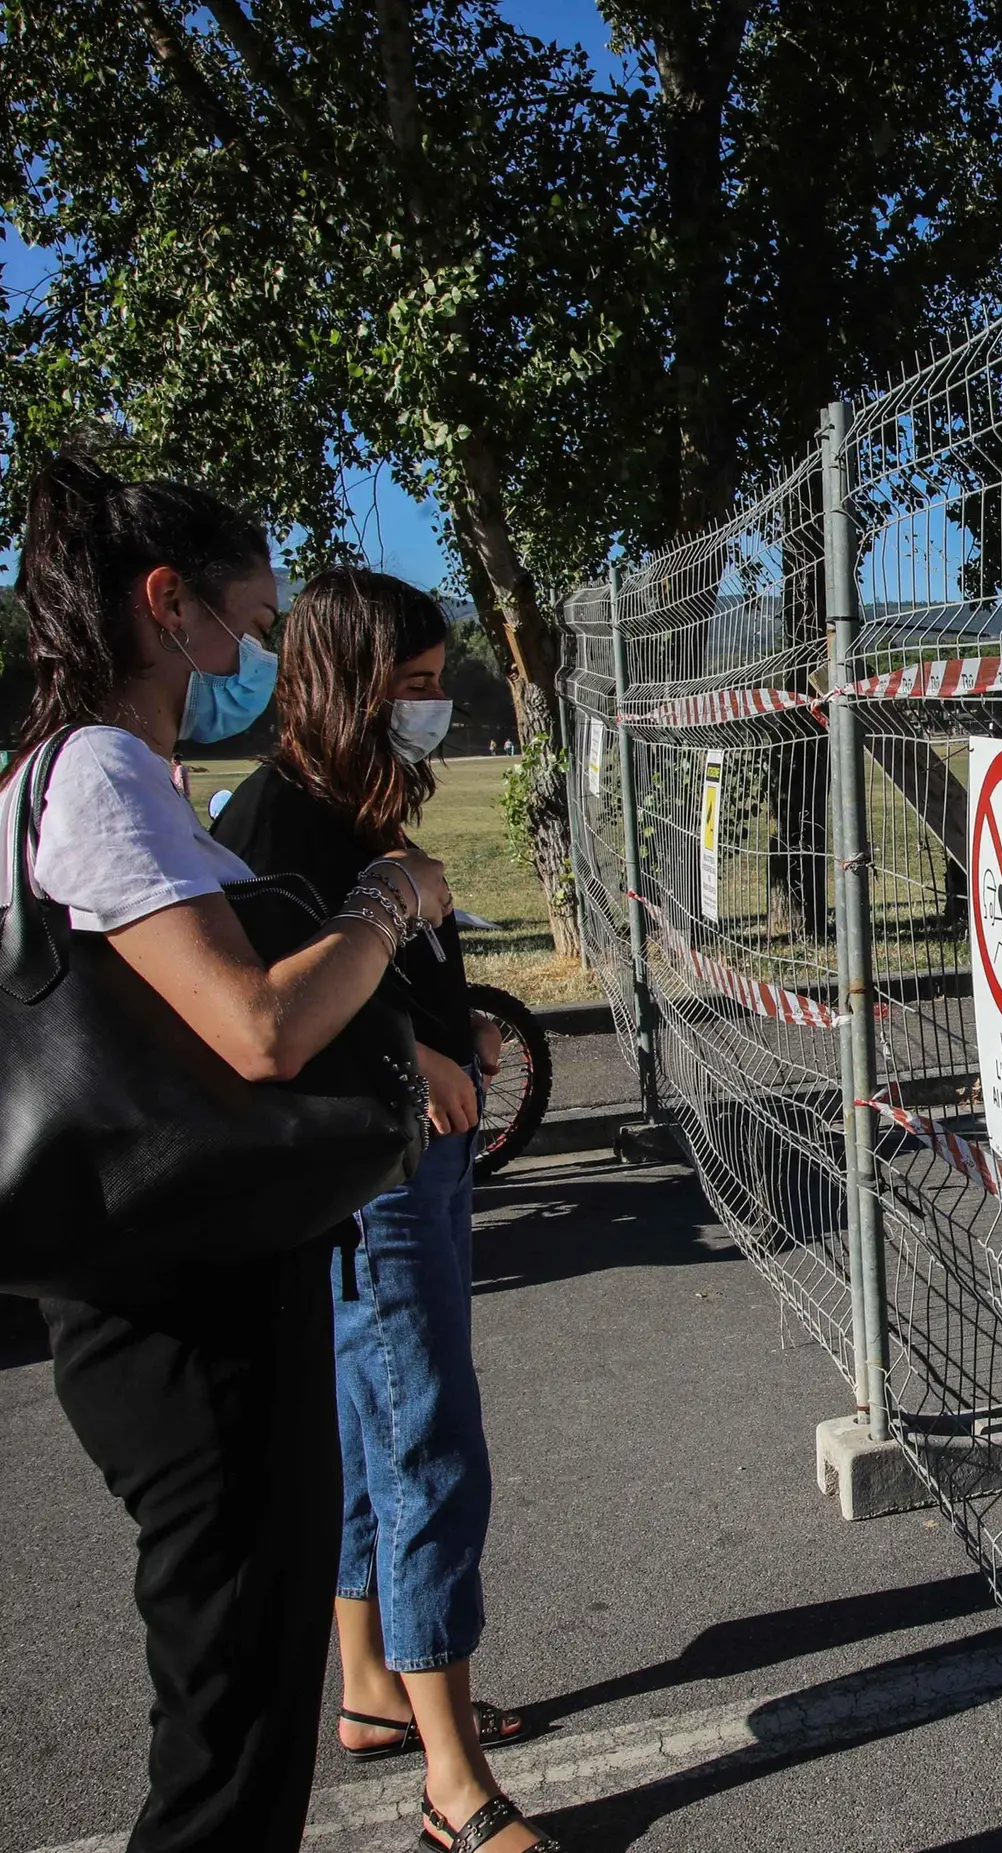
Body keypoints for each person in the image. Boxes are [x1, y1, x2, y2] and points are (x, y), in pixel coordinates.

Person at [1, 455, 451, 1850]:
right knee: (232, 1733)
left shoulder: (55, 773)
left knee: (233, 1698)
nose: (252, 656)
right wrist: (382, 907)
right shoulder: (100, 776)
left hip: (153, 1277)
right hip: (186, 1307)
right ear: (165, 607)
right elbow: (256, 1028)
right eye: (245, 624)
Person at [212, 568, 556, 1853]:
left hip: (414, 1157)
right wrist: (408, 1058)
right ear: (347, 681)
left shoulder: (348, 804)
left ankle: (369, 1687)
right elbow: (271, 1014)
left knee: (374, 1436)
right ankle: (454, 1786)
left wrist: (440, 1021)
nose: (428, 708)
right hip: (378, 1176)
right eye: (409, 687)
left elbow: (378, 974)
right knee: (427, 1443)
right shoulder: (277, 822)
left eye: (432, 684)